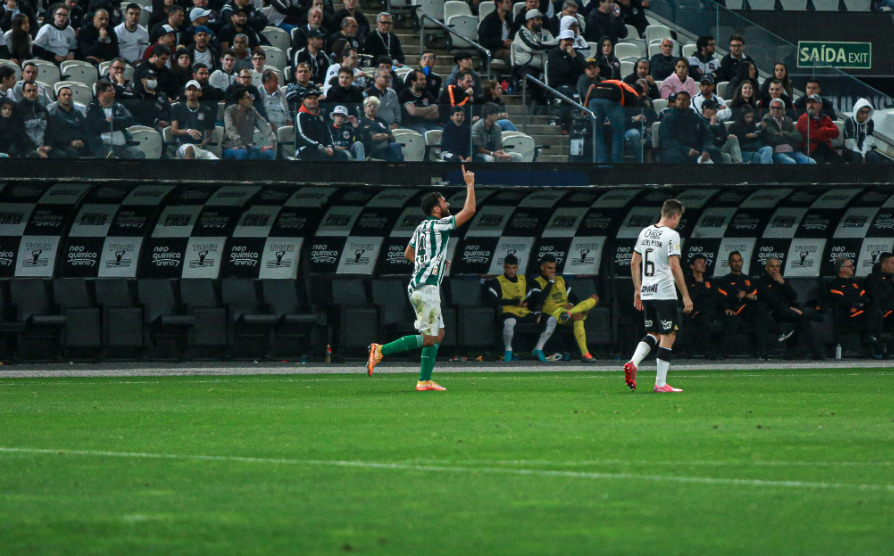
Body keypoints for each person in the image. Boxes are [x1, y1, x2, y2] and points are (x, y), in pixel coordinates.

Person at [366, 167, 478, 392]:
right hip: (426, 288)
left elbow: (408, 253)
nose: (448, 206)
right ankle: (380, 350)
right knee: (429, 337)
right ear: (436, 208)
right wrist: (469, 184)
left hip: (421, 285)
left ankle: (424, 381)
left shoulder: (421, 227)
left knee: (440, 333)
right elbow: (470, 210)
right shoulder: (438, 225)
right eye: (445, 203)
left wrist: (432, 261)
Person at [624, 198, 693, 392]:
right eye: (679, 218)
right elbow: (674, 266)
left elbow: (633, 263)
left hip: (647, 292)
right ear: (674, 215)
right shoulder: (671, 235)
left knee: (653, 333)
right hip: (664, 292)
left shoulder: (645, 232)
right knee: (669, 334)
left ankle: (633, 362)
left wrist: (638, 289)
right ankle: (660, 384)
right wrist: (686, 295)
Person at [714, 251, 792, 360]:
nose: (737, 263)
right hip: (733, 310)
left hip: (749, 310)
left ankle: (763, 353)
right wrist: (732, 301)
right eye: (734, 261)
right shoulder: (724, 280)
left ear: (742, 262)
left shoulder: (748, 279)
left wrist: (752, 297)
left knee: (759, 317)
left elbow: (758, 296)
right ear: (729, 264)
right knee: (758, 311)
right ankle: (778, 331)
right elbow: (720, 299)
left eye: (739, 260)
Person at [527, 254, 600, 362]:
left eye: (554, 268)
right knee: (577, 315)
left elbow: (574, 298)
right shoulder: (536, 282)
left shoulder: (560, 279)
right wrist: (551, 282)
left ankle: (571, 312)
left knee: (594, 297)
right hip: (553, 313)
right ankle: (585, 354)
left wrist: (570, 303)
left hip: (566, 311)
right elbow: (540, 299)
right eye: (549, 268)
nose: (552, 271)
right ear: (542, 267)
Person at [486, 254, 559, 362]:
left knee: (552, 319)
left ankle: (538, 349)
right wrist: (512, 302)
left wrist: (526, 302)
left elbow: (530, 297)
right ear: (504, 267)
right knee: (510, 322)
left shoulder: (523, 279)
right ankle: (508, 350)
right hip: (508, 312)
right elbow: (491, 299)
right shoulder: (497, 281)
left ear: (517, 268)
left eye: (514, 268)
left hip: (524, 313)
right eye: (508, 268)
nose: (511, 271)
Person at [755, 257, 824, 360]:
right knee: (802, 315)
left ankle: (809, 353)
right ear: (766, 268)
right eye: (772, 266)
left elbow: (793, 296)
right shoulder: (761, 282)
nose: (775, 269)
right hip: (770, 313)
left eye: (778, 266)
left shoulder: (782, 281)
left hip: (784, 310)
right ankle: (813, 315)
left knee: (802, 319)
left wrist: (783, 284)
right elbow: (772, 301)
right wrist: (789, 308)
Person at [825, 256, 880, 357]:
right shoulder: (835, 284)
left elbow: (864, 297)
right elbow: (842, 301)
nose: (853, 268)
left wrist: (859, 303)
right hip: (846, 315)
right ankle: (871, 342)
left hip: (860, 311)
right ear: (841, 269)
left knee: (877, 311)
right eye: (850, 266)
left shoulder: (854, 283)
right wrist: (856, 304)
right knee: (872, 314)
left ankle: (870, 340)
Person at [584, 77, 642, 163]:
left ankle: (601, 162)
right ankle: (617, 163)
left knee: (597, 132)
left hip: (594, 97)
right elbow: (626, 116)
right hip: (611, 96)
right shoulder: (634, 94)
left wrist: (585, 106)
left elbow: (592, 86)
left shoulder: (612, 82)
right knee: (618, 132)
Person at [658, 91, 722, 164]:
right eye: (679, 99)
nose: (681, 102)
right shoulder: (668, 118)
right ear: (675, 102)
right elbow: (666, 140)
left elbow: (707, 135)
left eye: (684, 100)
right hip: (675, 149)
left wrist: (706, 149)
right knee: (676, 157)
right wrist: (686, 150)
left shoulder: (695, 117)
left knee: (715, 152)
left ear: (689, 103)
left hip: (695, 148)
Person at [86, 80, 145, 159]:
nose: (113, 92)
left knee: (139, 153)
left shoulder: (119, 106)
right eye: (110, 91)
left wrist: (111, 120)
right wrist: (118, 123)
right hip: (104, 146)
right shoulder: (92, 107)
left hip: (124, 146)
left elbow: (130, 120)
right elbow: (98, 125)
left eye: (113, 89)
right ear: (100, 93)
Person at [679, 254, 719, 358]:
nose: (703, 264)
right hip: (692, 310)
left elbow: (715, 297)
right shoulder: (686, 280)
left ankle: (708, 350)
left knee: (705, 316)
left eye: (704, 262)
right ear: (692, 266)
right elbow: (690, 296)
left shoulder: (710, 280)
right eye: (699, 262)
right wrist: (698, 283)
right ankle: (688, 350)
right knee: (693, 317)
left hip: (709, 310)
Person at [221, 85, 276, 159]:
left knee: (269, 153)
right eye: (248, 98)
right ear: (241, 101)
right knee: (242, 152)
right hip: (231, 147)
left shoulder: (252, 111)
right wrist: (239, 144)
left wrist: (272, 143)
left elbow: (264, 126)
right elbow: (230, 128)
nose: (251, 99)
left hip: (248, 146)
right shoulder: (230, 111)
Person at [294, 87, 348, 160]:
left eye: (315, 98)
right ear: (304, 101)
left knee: (342, 155)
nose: (313, 100)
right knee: (319, 156)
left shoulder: (320, 116)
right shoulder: (301, 115)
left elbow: (328, 134)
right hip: (305, 149)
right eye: (310, 98)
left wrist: (329, 146)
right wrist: (318, 147)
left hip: (323, 148)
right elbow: (301, 135)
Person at [171, 79, 217, 159]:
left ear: (200, 93)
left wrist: (202, 144)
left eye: (195, 90)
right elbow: (174, 131)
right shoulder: (177, 107)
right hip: (183, 146)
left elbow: (210, 136)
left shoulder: (207, 110)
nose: (191, 92)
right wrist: (189, 131)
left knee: (215, 159)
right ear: (185, 92)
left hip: (200, 148)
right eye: (189, 89)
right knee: (190, 148)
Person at [761, 98, 815, 165]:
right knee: (791, 163)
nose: (775, 110)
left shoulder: (787, 120)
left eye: (778, 108)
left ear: (783, 110)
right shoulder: (766, 121)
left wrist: (784, 133)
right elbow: (770, 139)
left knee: (811, 162)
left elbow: (798, 137)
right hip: (777, 152)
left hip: (793, 151)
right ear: (769, 108)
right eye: (773, 107)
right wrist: (789, 138)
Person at [796, 93, 842, 164]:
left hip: (826, 148)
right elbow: (812, 134)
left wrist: (822, 130)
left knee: (840, 161)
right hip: (810, 150)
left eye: (814, 102)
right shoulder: (803, 118)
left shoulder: (826, 117)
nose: (810, 105)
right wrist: (826, 132)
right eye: (808, 102)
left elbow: (836, 133)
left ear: (820, 105)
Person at [864, 252, 894, 355]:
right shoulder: (872, 279)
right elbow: (876, 298)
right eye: (893, 263)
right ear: (884, 265)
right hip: (883, 311)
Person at [357, 96, 403, 161]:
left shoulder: (381, 120)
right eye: (369, 105)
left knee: (395, 146)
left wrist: (387, 136)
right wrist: (371, 137)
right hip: (369, 148)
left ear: (377, 109)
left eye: (375, 106)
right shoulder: (360, 121)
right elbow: (358, 138)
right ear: (364, 108)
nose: (372, 108)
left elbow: (392, 136)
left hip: (383, 147)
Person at [47, 86, 89, 158]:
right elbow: (54, 136)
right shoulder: (54, 114)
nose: (67, 97)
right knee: (72, 153)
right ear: (58, 97)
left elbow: (86, 130)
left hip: (79, 143)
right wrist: (71, 143)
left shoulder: (78, 113)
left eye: (69, 95)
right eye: (64, 95)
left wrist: (82, 141)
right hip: (62, 145)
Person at [844, 98, 886, 165]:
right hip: (851, 150)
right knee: (857, 157)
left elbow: (868, 140)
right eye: (862, 112)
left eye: (867, 112)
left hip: (865, 150)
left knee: (873, 157)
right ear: (857, 111)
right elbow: (850, 143)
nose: (865, 115)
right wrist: (861, 155)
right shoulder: (849, 122)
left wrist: (863, 154)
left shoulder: (870, 122)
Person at [398, 69, 440, 134]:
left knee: (442, 131)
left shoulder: (427, 93)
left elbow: (436, 114)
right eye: (421, 79)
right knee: (425, 134)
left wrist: (419, 113)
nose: (425, 82)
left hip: (428, 124)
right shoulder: (405, 93)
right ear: (413, 82)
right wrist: (429, 109)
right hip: (411, 125)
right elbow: (413, 112)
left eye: (424, 79)